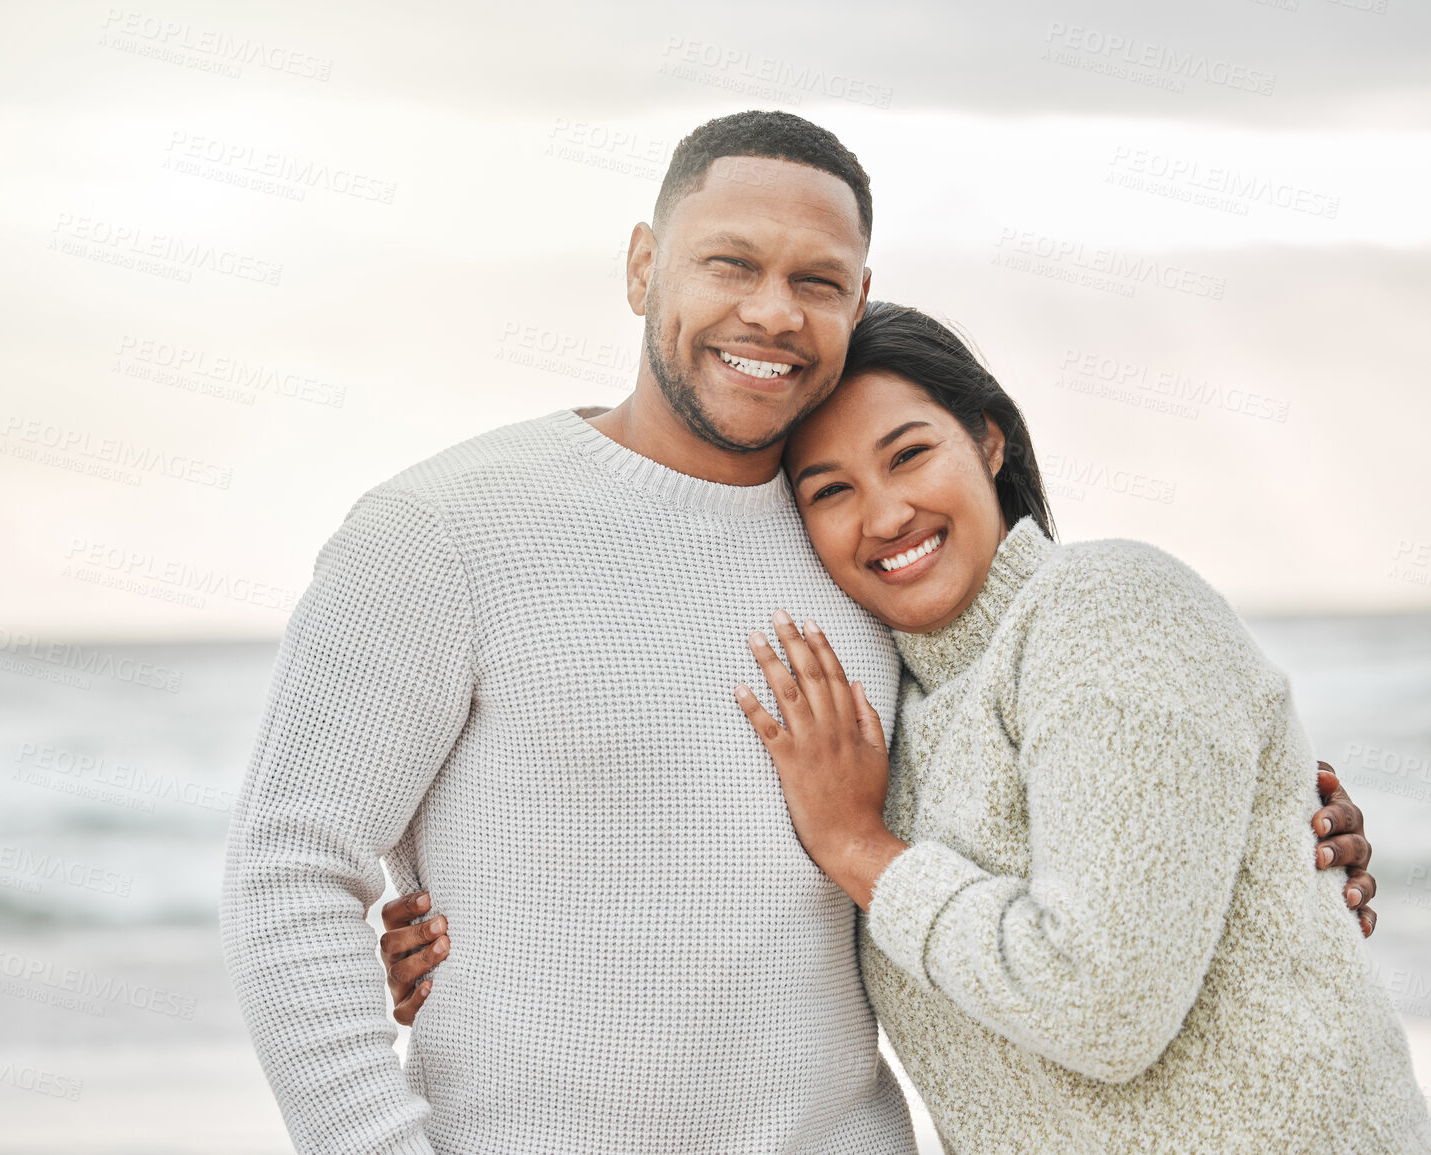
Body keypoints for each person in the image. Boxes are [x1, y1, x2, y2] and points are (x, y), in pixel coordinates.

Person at [229, 109, 1376, 1155]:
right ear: (642, 267)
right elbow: (293, 864)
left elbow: (1017, 780)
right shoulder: (441, 531)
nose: (772, 311)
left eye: (818, 280)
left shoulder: (857, 551)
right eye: (731, 263)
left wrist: (1268, 835)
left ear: (859, 297)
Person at [392, 302, 1421, 1151]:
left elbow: (1102, 1007)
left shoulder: (1108, 603)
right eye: (829, 490)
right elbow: (727, 917)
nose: (882, 516)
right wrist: (467, 942)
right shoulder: (884, 723)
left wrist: (859, 847)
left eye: (908, 454)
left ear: (987, 438)